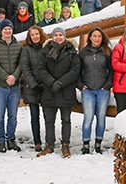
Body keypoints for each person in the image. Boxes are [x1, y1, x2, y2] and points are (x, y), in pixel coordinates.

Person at [37, 27, 81, 158]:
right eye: (55, 35)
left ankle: (65, 145)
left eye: (60, 35)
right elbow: (41, 69)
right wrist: (51, 83)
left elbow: (75, 70)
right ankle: (49, 145)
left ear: (65, 36)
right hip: (49, 91)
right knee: (49, 121)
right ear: (52, 37)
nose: (58, 37)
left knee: (66, 120)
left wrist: (60, 83)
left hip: (66, 90)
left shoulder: (72, 51)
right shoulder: (45, 51)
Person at [0, 19, 23, 153]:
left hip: (14, 86)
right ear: (1, 30)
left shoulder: (18, 45)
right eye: (5, 29)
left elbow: (21, 63)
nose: (7, 31)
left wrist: (14, 76)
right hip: (0, 86)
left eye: (9, 28)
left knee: (13, 115)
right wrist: (6, 77)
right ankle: (0, 140)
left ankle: (11, 139)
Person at [78, 28, 113, 154]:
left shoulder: (107, 52)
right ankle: (86, 143)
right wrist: (80, 85)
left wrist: (108, 84)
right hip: (88, 90)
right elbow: (77, 70)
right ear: (90, 38)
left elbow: (112, 70)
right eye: (94, 36)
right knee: (88, 118)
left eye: (99, 36)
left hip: (103, 89)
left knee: (101, 117)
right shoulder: (83, 53)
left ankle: (98, 143)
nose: (97, 38)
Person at [20, 25, 49, 152]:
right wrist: (33, 84)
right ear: (30, 37)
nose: (35, 37)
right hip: (32, 87)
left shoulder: (46, 47)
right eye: (32, 35)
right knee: (34, 115)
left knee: (48, 116)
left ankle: (49, 141)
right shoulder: (26, 49)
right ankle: (37, 141)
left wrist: (46, 82)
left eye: (37, 34)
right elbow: (25, 69)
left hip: (45, 86)